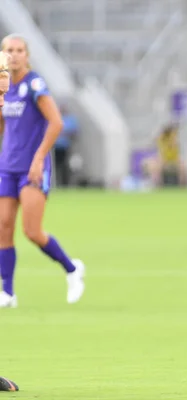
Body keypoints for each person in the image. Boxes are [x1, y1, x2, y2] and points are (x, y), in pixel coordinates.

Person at [0, 34, 85, 308]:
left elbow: (56, 122)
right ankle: (8, 292)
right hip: (8, 167)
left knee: (32, 232)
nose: (13, 55)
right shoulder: (4, 87)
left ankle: (72, 270)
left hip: (32, 168)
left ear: (27, 55)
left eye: (19, 50)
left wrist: (38, 158)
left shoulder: (34, 84)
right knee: (3, 226)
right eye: (8, 50)